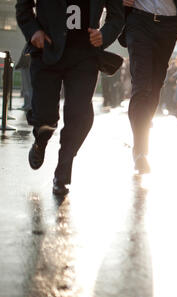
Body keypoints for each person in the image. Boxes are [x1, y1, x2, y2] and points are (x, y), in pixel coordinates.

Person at [16, 0, 124, 196]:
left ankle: (63, 172)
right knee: (45, 117)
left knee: (79, 116)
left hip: (84, 56)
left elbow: (117, 15)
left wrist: (104, 35)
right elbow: (23, 6)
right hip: (47, 51)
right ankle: (41, 139)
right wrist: (33, 31)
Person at [120, 0, 177, 174]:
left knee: (155, 87)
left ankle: (142, 135)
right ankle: (140, 148)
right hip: (139, 21)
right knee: (141, 85)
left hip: (168, 26)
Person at [15, 47, 32, 112]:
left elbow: (25, 57)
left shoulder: (30, 44)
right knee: (26, 87)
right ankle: (27, 104)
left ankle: (29, 105)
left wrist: (19, 64)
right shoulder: (29, 44)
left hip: (27, 67)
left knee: (28, 87)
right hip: (26, 66)